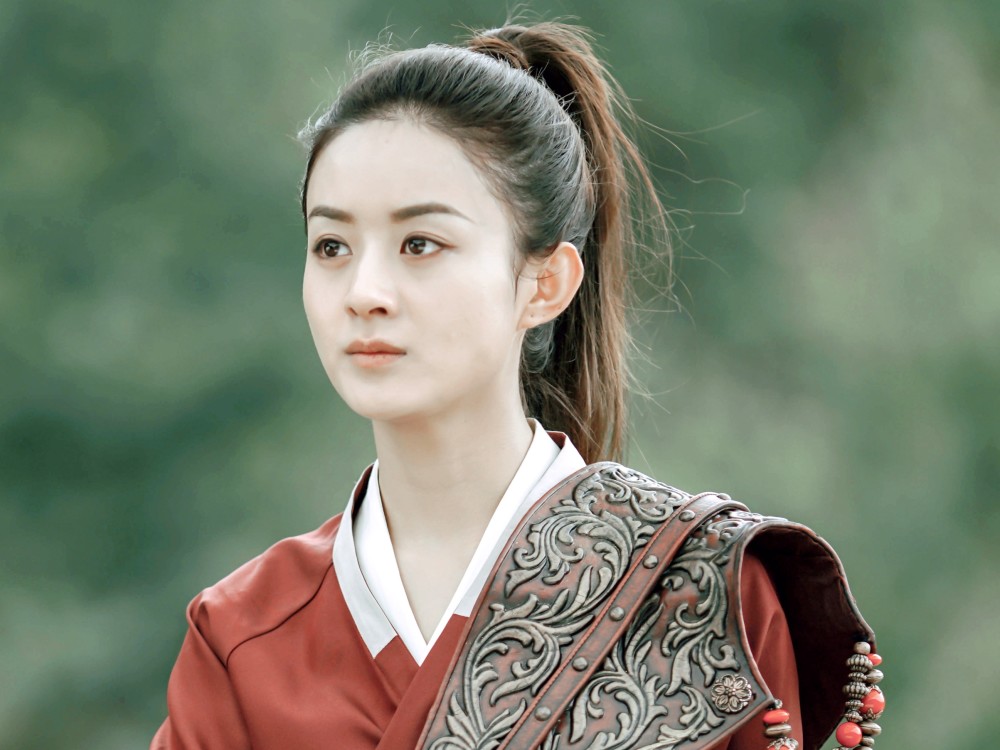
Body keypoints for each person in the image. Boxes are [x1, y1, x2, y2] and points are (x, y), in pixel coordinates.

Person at [152, 21, 882, 750]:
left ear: (545, 283)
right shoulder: (243, 635)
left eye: (420, 244)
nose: (364, 291)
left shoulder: (701, 590)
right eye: (332, 246)